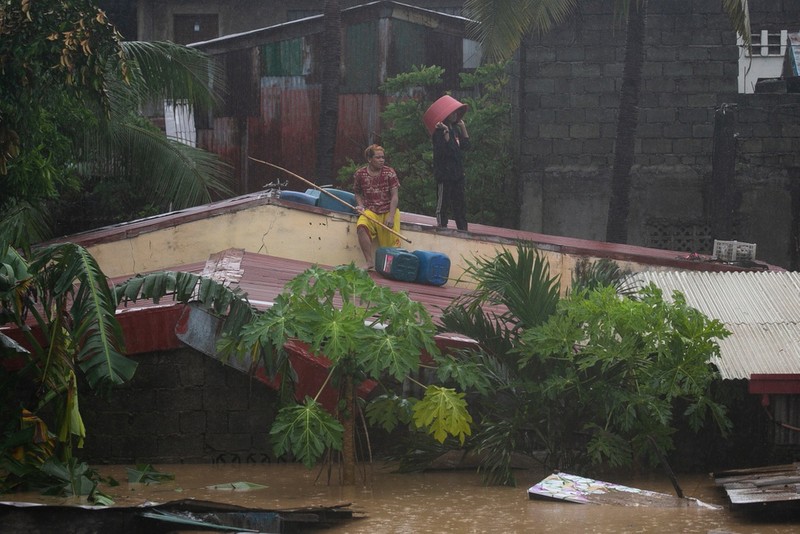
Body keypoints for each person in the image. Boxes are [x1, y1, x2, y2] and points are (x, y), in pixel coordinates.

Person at [353, 144, 401, 270]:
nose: (381, 160)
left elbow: (395, 196)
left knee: (391, 246)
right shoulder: (360, 174)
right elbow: (357, 192)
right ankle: (369, 262)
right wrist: (360, 206)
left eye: (383, 157)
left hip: (388, 210)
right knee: (361, 226)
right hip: (371, 210)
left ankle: (389, 270)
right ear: (369, 159)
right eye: (378, 157)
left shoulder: (389, 172)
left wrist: (391, 216)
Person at [432, 109, 470, 231]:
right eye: (452, 113)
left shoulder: (455, 130)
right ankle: (442, 225)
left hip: (457, 174)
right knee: (444, 202)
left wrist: (463, 128)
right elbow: (445, 152)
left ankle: (463, 228)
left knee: (460, 203)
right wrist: (446, 134)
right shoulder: (439, 132)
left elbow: (465, 147)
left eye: (456, 113)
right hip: (445, 174)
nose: (454, 115)